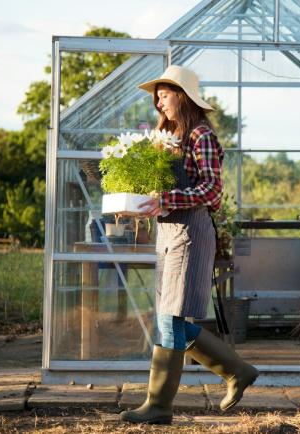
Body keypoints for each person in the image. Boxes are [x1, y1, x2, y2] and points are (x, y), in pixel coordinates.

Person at [119, 65, 259, 425]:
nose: (158, 102)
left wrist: (165, 198)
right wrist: (144, 202)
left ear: (181, 96)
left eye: (164, 94)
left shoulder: (201, 136)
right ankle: (237, 371)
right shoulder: (168, 139)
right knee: (171, 318)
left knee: (169, 318)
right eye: (157, 96)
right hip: (169, 233)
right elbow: (165, 190)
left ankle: (159, 405)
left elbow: (212, 190)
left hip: (190, 233)